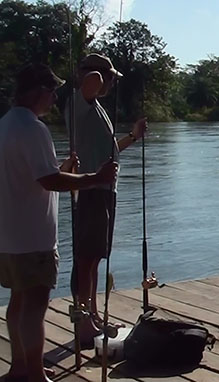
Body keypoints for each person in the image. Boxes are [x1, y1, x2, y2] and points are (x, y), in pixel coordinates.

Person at [0, 64, 117, 382]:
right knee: (36, 305)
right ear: (37, 91)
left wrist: (65, 167)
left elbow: (35, 176)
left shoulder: (6, 126)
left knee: (18, 303)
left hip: (8, 238)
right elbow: (50, 181)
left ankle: (20, 367)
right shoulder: (33, 129)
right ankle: (35, 374)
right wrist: (95, 178)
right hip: (33, 237)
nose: (54, 98)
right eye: (51, 92)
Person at [65, 53, 147, 342]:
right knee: (85, 258)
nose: (111, 82)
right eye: (110, 77)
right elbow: (91, 80)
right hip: (88, 190)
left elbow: (110, 152)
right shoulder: (80, 103)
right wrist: (101, 71)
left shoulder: (96, 109)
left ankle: (93, 314)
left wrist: (133, 136)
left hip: (104, 192)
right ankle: (83, 319)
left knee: (96, 258)